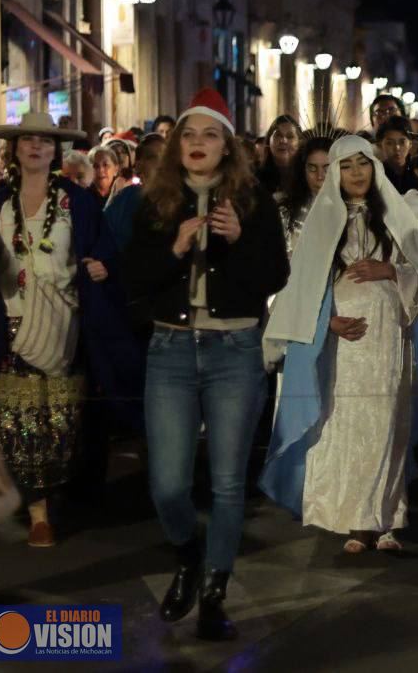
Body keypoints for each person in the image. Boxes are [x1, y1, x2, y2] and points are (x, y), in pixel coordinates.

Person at [123, 89, 289, 642]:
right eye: (189, 135)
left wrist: (239, 242)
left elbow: (273, 277)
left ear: (227, 147)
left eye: (210, 135)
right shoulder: (154, 201)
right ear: (176, 146)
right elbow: (135, 280)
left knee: (225, 483)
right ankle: (188, 555)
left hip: (234, 350)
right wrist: (172, 249)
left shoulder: (254, 201)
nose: (197, 144)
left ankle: (215, 591)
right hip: (170, 351)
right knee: (168, 484)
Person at [262, 135, 418, 553]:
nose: (356, 173)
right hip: (341, 340)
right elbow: (302, 286)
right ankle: (356, 520)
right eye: (347, 166)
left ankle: (388, 517)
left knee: (388, 419)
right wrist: (328, 322)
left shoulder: (399, 219)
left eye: (363, 164)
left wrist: (392, 272)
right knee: (345, 421)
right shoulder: (320, 224)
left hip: (389, 336)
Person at [0, 112, 138, 548]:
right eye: (27, 140)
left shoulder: (77, 202)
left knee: (58, 422)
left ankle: (56, 491)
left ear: (55, 151)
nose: (35, 147)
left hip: (65, 324)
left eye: (44, 141)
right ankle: (37, 511)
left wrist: (102, 268)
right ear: (14, 149)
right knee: (14, 420)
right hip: (7, 324)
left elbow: (104, 251)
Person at [104, 134, 166, 251]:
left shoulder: (180, 199)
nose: (162, 164)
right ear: (138, 165)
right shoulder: (124, 200)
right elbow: (104, 236)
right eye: (153, 158)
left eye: (166, 158)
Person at [276, 135, 335, 257]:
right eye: (312, 169)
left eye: (327, 169)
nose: (320, 176)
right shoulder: (285, 211)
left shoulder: (353, 209)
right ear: (303, 171)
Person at [255, 115, 302, 197]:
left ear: (299, 143)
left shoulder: (306, 176)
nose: (283, 140)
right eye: (278, 135)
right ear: (269, 140)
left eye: (290, 136)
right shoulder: (255, 177)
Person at [376, 115, 418, 194]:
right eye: (390, 143)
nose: (397, 148)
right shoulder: (377, 174)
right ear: (380, 145)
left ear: (410, 143)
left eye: (402, 142)